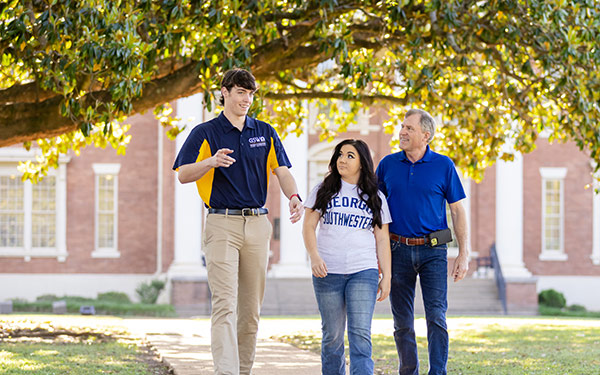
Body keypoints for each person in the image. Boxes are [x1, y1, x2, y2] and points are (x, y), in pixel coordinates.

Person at [172, 68, 303, 375]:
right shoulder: (205, 132)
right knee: (224, 305)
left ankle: (243, 370)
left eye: (250, 93)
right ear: (225, 92)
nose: (246, 99)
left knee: (250, 312)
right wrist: (210, 162)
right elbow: (182, 175)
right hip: (222, 224)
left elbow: (282, 170)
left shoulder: (265, 131)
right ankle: (226, 372)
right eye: (241, 92)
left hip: (258, 225)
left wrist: (294, 197)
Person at [375, 109, 469, 375]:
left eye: (409, 128)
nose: (402, 132)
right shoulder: (387, 165)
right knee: (402, 321)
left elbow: (458, 210)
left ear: (426, 135)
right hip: (397, 249)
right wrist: (376, 252)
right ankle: (409, 371)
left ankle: (437, 372)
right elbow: (374, 209)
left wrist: (463, 253)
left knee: (436, 317)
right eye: (402, 127)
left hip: (434, 251)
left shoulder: (444, 165)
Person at [303, 139, 392, 375]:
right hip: (327, 272)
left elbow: (382, 239)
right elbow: (308, 227)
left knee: (360, 334)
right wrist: (314, 256)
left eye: (350, 155)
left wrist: (387, 276)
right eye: (340, 154)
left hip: (363, 271)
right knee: (332, 337)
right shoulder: (323, 190)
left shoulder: (375, 197)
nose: (343, 159)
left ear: (363, 163)